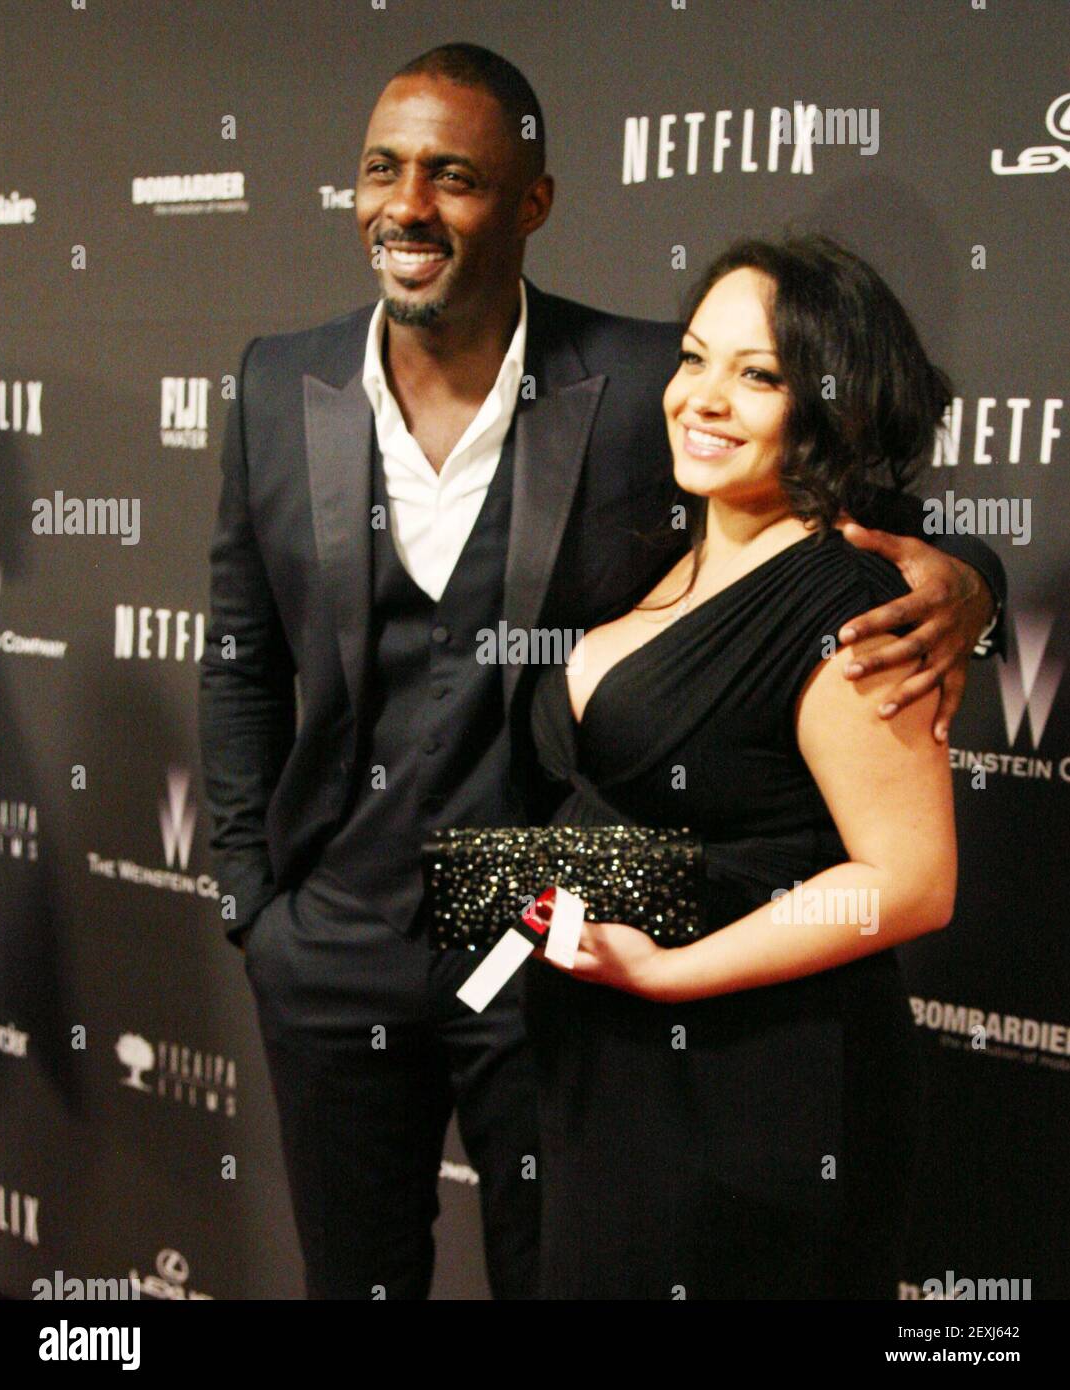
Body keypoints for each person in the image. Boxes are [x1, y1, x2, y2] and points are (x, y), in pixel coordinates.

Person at [197, 43, 1004, 1300]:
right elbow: (239, 655)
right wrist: (254, 897)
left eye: (453, 176)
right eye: (382, 170)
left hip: (544, 950)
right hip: (330, 937)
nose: (408, 206)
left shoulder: (641, 379)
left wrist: (969, 585)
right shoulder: (270, 382)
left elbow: (846, 498)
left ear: (530, 202)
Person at [525, 234, 969, 1300]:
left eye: (758, 374)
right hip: (614, 1074)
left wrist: (667, 972)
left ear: (834, 404)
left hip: (757, 1090)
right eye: (693, 358)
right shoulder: (661, 553)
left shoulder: (850, 604)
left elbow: (909, 882)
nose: (703, 398)